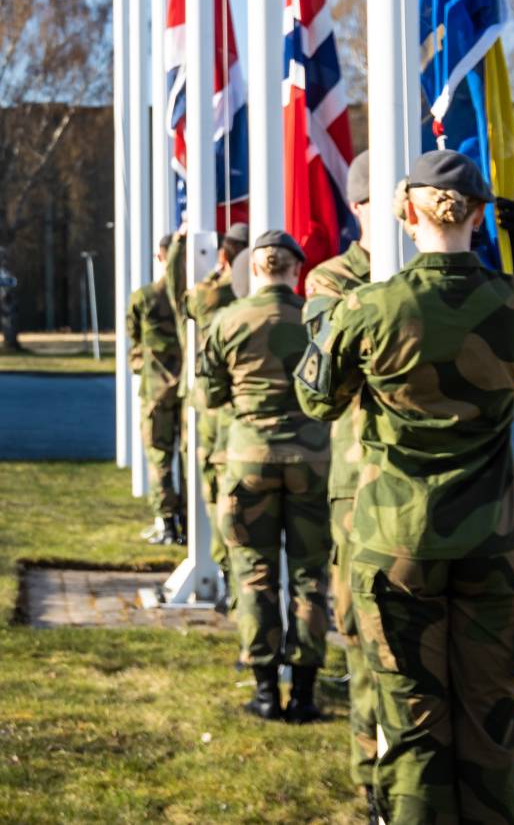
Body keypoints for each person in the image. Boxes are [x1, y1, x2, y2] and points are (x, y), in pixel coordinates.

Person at [297, 150, 514, 825]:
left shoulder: (369, 306)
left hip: (397, 541)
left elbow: (317, 400)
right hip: (493, 542)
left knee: (411, 726)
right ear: (477, 215)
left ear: (407, 214)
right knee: (492, 720)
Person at [199, 230, 328, 722]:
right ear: (297, 270)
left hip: (248, 457)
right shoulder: (318, 318)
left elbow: (210, 396)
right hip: (311, 461)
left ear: (255, 270)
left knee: (254, 573)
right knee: (309, 576)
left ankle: (264, 691)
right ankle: (306, 692)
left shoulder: (228, 320)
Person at [304, 154, 382, 797]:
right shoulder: (332, 279)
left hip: (435, 486)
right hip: (360, 484)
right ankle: (373, 782)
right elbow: (332, 376)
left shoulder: (440, 275)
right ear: (359, 208)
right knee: (362, 636)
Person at [186, 222, 249, 579]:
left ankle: (225, 566)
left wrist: (215, 271)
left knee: (217, 491)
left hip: (215, 408)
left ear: (225, 255)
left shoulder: (212, 295)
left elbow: (190, 301)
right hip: (245, 409)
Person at [127, 232, 188, 544]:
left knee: (159, 457)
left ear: (159, 257)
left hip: (155, 390)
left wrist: (142, 365)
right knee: (187, 458)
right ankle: (190, 523)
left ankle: (166, 521)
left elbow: (134, 341)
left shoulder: (144, 298)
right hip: (186, 390)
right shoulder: (188, 298)